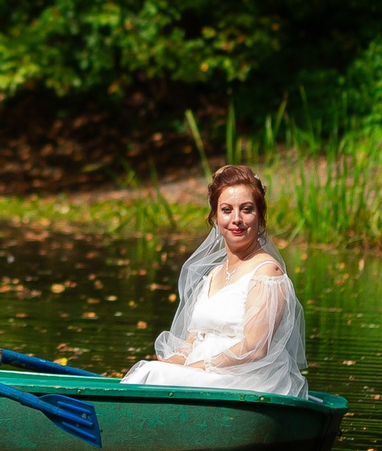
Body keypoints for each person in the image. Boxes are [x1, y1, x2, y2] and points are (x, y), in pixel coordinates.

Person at [120, 163, 312, 397]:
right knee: (152, 370)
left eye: (247, 209)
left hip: (247, 380)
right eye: (227, 209)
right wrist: (176, 361)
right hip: (205, 375)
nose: (237, 219)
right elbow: (192, 340)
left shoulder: (267, 273)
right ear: (215, 216)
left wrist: (195, 367)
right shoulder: (213, 275)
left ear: (260, 216)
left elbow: (255, 348)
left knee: (151, 374)